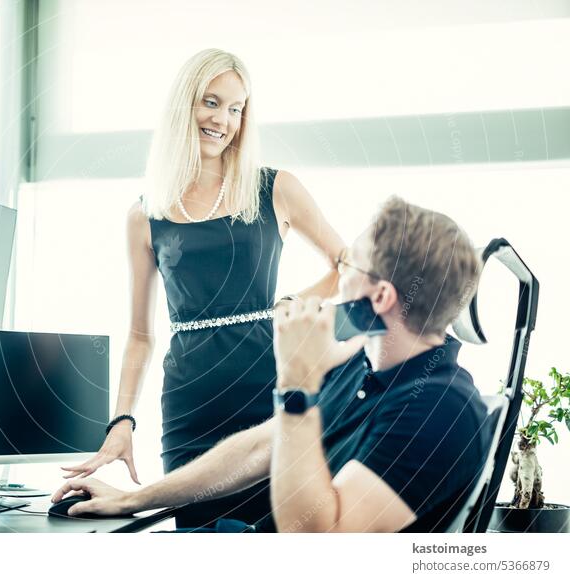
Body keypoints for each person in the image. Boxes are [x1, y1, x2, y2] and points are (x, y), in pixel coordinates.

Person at [53, 196, 491, 533]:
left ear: (380, 298)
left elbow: (320, 541)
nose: (340, 275)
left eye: (348, 263)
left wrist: (296, 384)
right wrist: (134, 499)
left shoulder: (440, 408)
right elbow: (261, 447)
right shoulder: (361, 362)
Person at [61, 49, 346, 528]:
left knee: (284, 538)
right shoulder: (144, 214)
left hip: (270, 393)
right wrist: (121, 422)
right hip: (189, 406)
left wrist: (295, 302)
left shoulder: (275, 187)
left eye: (236, 109)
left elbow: (347, 265)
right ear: (183, 105)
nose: (223, 120)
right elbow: (140, 335)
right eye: (211, 103)